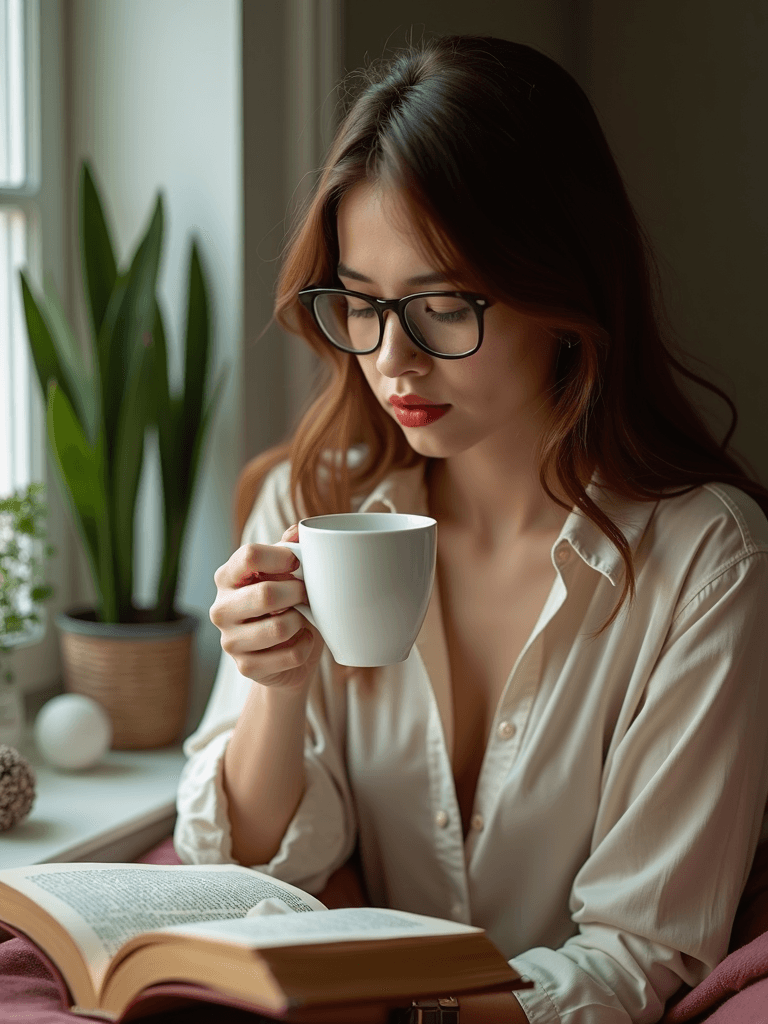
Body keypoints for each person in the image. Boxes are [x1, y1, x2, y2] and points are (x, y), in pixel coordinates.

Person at [174, 34, 768, 1023]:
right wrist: (274, 691)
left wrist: (407, 1010)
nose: (394, 359)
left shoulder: (708, 559)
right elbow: (246, 866)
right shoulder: (308, 504)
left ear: (563, 295)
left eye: (444, 306)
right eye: (360, 306)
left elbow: (637, 955)